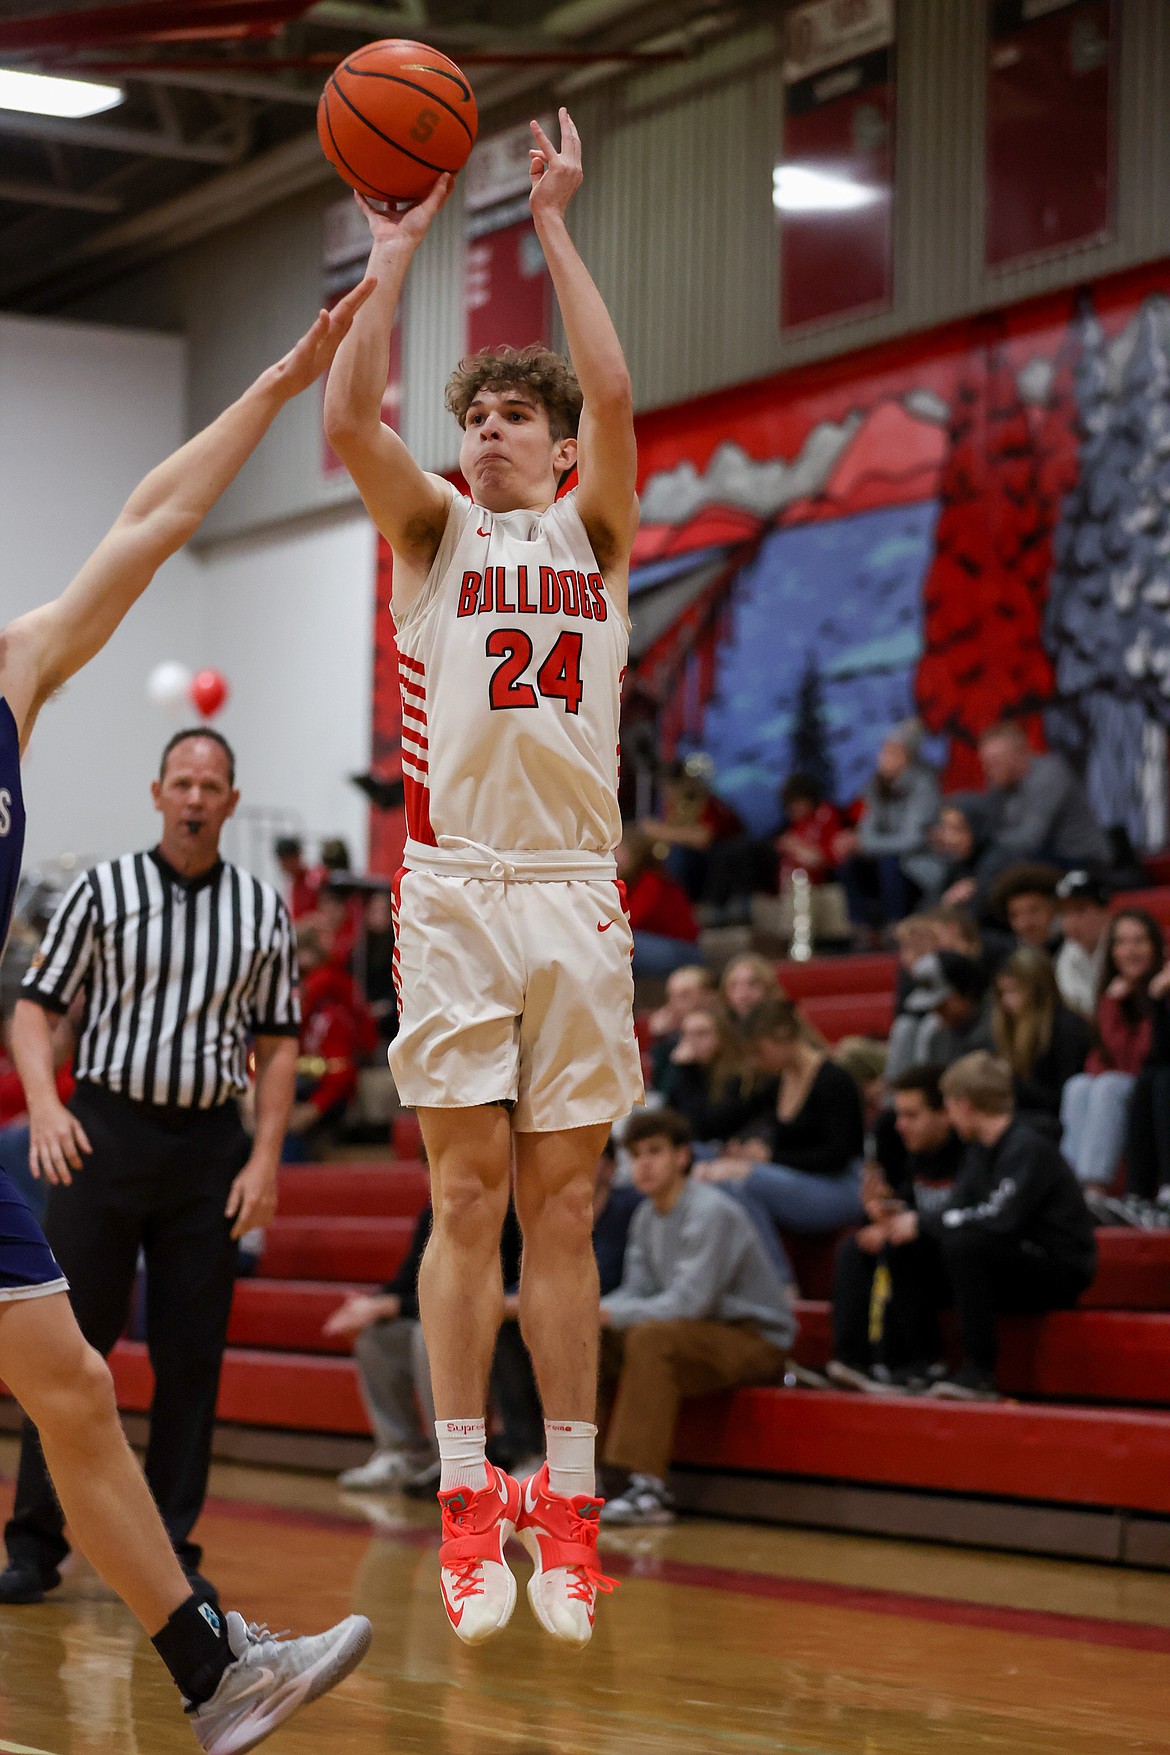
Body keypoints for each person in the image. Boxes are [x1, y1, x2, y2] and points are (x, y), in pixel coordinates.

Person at [0, 291, 374, 1746]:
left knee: (76, 1388)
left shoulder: (13, 675)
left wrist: (280, 380)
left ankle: (217, 1670)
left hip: (158, 1127)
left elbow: (151, 521)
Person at [324, 109, 643, 1648]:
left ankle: (567, 1507)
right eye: (482, 416)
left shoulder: (597, 529)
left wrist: (555, 222)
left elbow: (623, 387)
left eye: (520, 413)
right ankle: (467, 1497)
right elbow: (347, 422)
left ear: (562, 444)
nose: (493, 430)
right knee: (462, 1191)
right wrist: (391, 260)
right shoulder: (433, 535)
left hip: (576, 886)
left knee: (564, 1207)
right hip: (455, 885)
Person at [7, 726, 302, 1608]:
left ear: (232, 801)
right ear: (157, 792)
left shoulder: (262, 910)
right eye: (182, 781)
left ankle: (172, 1547)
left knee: (191, 1355)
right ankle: (33, 1542)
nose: (195, 797)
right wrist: (46, 1103)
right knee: (66, 1349)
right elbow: (33, 1010)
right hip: (102, 1132)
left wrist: (267, 1157)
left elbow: (279, 1043)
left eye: (212, 784)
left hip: (209, 1145)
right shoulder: (103, 890)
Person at [598, 1108, 795, 1525]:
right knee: (590, 1339)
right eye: (636, 1155)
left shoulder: (711, 1212)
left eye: (655, 1152)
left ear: (683, 1157)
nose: (644, 1164)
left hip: (754, 1339)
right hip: (696, 1334)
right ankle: (591, 1476)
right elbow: (637, 1290)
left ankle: (648, 1489)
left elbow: (690, 1302)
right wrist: (595, 1314)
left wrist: (609, 1312)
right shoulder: (646, 1214)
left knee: (650, 1338)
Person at [871, 1053, 1097, 1400]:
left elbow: (1000, 1218)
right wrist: (910, 1222)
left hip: (1055, 1268)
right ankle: (925, 1361)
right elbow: (958, 1210)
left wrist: (927, 1222)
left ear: (963, 1105)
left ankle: (979, 1371)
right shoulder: (979, 1152)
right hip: (1008, 1258)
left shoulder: (1027, 1147)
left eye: (949, 1105)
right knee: (907, 1243)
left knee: (964, 1244)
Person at [695, 998, 865, 1281]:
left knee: (742, 1181)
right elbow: (717, 1123)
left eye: (759, 1052)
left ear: (782, 1039)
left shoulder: (834, 1081)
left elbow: (839, 1155)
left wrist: (766, 1160)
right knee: (699, 1157)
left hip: (841, 1186)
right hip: (798, 1179)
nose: (756, 1061)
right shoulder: (778, 1081)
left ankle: (779, 1284)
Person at [828, 1064, 964, 1391]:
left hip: (970, 1263)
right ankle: (851, 1361)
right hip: (932, 1254)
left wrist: (905, 1226)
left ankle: (923, 1362)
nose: (900, 1126)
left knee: (905, 1245)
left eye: (912, 1116)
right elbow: (908, 1205)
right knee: (856, 1246)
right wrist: (880, 1215)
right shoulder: (916, 1154)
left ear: (945, 1113)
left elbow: (967, 1214)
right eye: (899, 1115)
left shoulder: (969, 1152)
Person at [1060, 910, 1162, 1197]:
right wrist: (1111, 1004)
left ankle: (1094, 1188)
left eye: (1139, 941)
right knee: (1078, 1086)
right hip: (1126, 1083)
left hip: (1152, 1087)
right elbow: (1098, 1061)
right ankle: (1070, 1189)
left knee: (1108, 1086)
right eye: (1121, 943)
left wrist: (1113, 1007)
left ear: (1155, 946)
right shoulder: (1112, 994)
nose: (1130, 951)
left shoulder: (1161, 992)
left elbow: (1137, 1060)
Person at [283, 923, 378, 1161]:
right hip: (306, 1083)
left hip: (331, 1091)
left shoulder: (327, 1010)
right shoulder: (301, 1007)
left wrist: (311, 1110)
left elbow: (341, 1069)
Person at [835, 720, 941, 934]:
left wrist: (865, 845)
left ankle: (896, 928)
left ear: (907, 756)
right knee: (850, 864)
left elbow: (913, 840)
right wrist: (861, 844)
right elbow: (867, 828)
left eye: (891, 751)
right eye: (884, 750)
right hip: (887, 861)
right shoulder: (877, 786)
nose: (883, 757)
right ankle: (863, 929)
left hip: (919, 865)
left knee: (889, 862)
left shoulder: (924, 786)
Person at [974, 722, 1110, 884]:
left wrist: (988, 843)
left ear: (1018, 756)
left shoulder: (1048, 776)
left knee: (996, 863)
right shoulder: (1002, 785)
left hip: (1081, 861)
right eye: (985, 763)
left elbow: (1030, 840)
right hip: (1041, 859)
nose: (987, 770)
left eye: (994, 762)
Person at [991, 945, 1091, 1120]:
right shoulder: (1010, 1026)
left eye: (1013, 991)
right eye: (1002, 993)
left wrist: (1011, 1084)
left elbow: (1063, 1099)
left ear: (1037, 989)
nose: (1006, 1002)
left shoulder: (1069, 1028)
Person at [655, 1005, 773, 1147]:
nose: (691, 1042)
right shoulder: (693, 1070)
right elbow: (667, 1113)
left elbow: (704, 1128)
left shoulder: (740, 1075)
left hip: (728, 1148)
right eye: (686, 1034)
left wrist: (688, 1072)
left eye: (701, 1034)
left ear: (723, 1037)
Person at [885, 951, 992, 1081]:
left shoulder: (999, 1025)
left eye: (942, 1006)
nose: (937, 1014)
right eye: (933, 1008)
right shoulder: (937, 1036)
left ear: (968, 991)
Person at [616, 827, 700, 977]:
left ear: (634, 853)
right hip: (661, 945)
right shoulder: (634, 882)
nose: (612, 857)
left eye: (618, 851)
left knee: (617, 941)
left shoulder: (651, 881)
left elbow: (630, 920)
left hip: (683, 951)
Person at [645, 963, 716, 1085]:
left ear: (709, 996)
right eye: (671, 996)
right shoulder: (671, 1035)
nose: (674, 1004)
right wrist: (660, 1040)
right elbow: (660, 1090)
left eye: (684, 995)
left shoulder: (718, 1032)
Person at [1053, 870, 1111, 1019]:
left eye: (1080, 911)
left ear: (1105, 912)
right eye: (1064, 913)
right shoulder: (1067, 954)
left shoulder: (1124, 947)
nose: (1070, 922)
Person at [988, 862, 1063, 954]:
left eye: (1034, 911)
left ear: (1055, 908)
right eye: (1015, 916)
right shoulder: (1011, 959)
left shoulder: (1078, 948)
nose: (1025, 924)